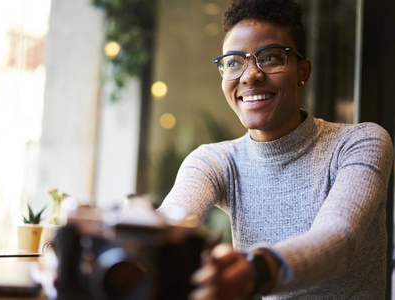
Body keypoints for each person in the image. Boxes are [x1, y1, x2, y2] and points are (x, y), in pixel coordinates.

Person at [157, 0, 394, 299]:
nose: (249, 75)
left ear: (302, 71)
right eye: (233, 61)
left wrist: (255, 271)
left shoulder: (359, 143)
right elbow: (172, 219)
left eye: (269, 58)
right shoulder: (214, 161)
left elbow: (337, 240)